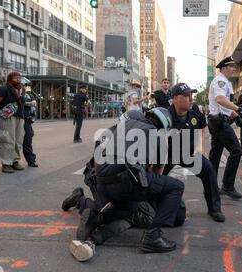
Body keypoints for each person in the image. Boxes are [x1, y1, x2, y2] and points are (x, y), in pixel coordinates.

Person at [78, 107, 184, 254]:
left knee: (126, 209)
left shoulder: (119, 128)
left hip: (102, 183)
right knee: (176, 187)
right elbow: (157, 173)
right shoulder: (158, 136)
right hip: (125, 183)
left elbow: (98, 153)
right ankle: (153, 237)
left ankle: (95, 216)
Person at [164, 83, 224, 222]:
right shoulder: (166, 115)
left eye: (192, 95)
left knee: (209, 169)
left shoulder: (195, 111)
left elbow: (203, 128)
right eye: (187, 96)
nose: (191, 99)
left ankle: (214, 209)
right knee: (156, 178)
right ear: (176, 99)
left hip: (188, 153)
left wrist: (199, 148)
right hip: (168, 154)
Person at [208, 56, 242, 200]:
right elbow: (220, 100)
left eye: (234, 66)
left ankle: (210, 185)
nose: (233, 69)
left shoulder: (224, 81)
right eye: (230, 66)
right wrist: (239, 109)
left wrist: (235, 114)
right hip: (220, 123)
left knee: (215, 156)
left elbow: (222, 105)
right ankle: (227, 186)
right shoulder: (221, 80)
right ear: (223, 68)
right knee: (236, 151)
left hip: (219, 121)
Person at [0, 71, 25, 174]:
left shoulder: (21, 89)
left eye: (19, 78)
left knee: (18, 141)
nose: (18, 80)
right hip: (8, 118)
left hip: (19, 117)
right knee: (7, 140)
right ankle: (6, 163)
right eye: (16, 78)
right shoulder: (4, 88)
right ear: (10, 79)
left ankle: (15, 161)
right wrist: (3, 111)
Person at [21, 77, 38, 167]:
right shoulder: (18, 91)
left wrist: (32, 101)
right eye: (26, 85)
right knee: (15, 141)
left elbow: (34, 100)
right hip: (19, 119)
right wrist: (28, 103)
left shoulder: (29, 94)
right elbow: (18, 100)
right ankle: (12, 162)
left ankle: (31, 160)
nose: (28, 88)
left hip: (28, 120)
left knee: (28, 139)